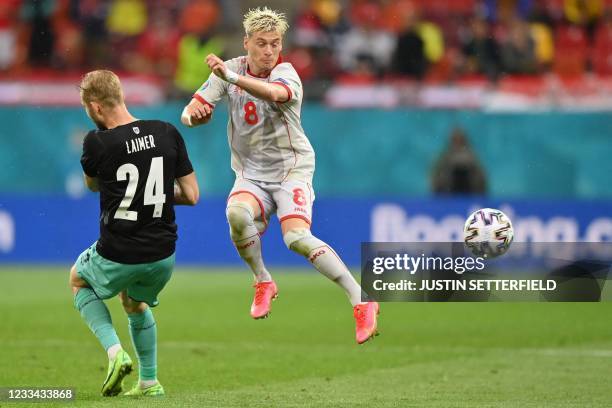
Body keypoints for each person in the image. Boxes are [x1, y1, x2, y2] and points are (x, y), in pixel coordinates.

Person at [181, 7, 379, 344]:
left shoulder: (285, 73)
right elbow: (189, 110)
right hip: (251, 173)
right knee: (236, 213)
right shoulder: (228, 70)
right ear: (246, 43)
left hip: (292, 170)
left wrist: (230, 79)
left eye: (275, 44)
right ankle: (263, 280)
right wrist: (194, 117)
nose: (269, 51)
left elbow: (274, 94)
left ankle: (362, 301)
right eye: (262, 44)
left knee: (296, 239)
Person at [69, 70, 199, 397]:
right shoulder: (166, 132)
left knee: (77, 279)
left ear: (96, 108)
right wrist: (154, 194)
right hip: (163, 255)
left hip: (119, 251)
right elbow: (192, 195)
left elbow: (93, 184)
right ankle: (149, 382)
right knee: (133, 302)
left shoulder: (96, 141)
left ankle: (115, 353)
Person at [431, 127, 487, 195]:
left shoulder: (472, 157)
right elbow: (435, 179)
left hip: (470, 194)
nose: (458, 143)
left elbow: (481, 180)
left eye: (460, 140)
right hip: (448, 195)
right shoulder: (444, 157)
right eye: (455, 140)